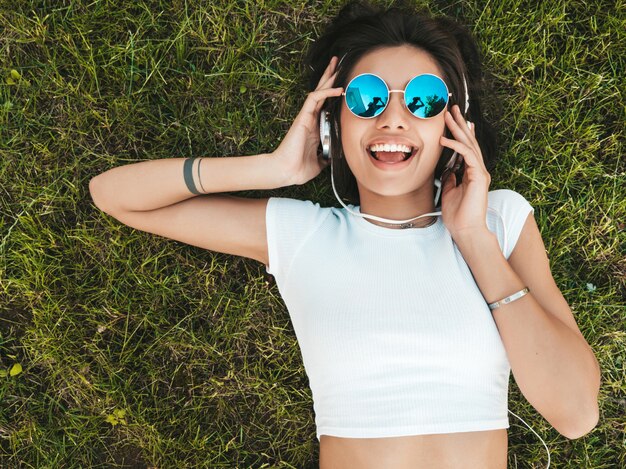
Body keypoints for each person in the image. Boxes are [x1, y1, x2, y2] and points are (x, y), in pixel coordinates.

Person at [89, 1, 601, 467]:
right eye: (367, 97)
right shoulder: (304, 236)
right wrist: (274, 168)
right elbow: (114, 194)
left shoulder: (500, 221)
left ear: (452, 124)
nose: (394, 119)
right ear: (332, 124)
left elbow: (576, 414)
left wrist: (473, 239)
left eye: (423, 100)